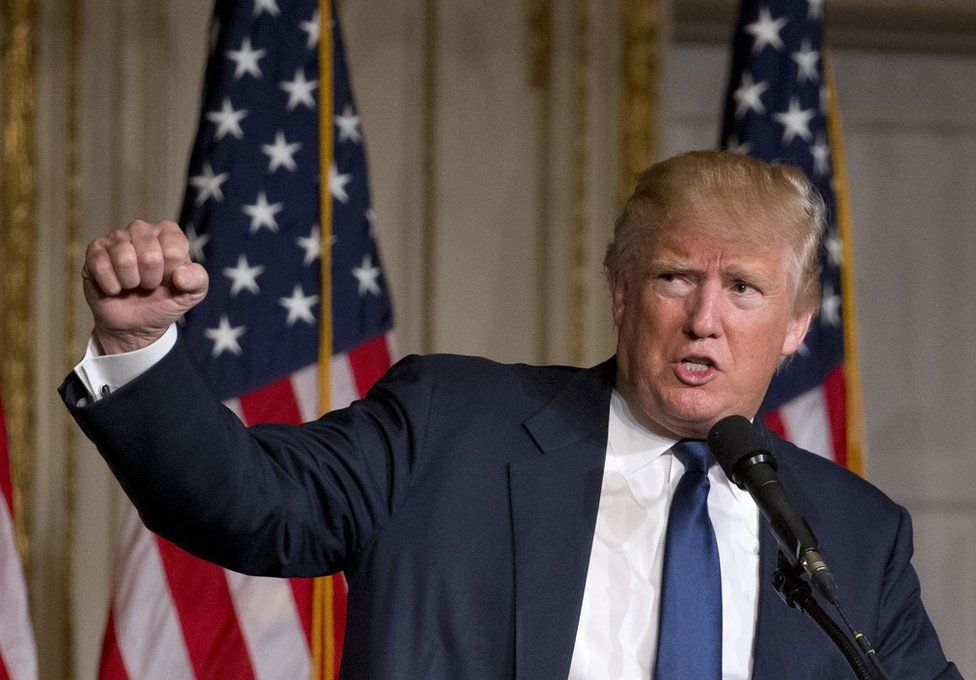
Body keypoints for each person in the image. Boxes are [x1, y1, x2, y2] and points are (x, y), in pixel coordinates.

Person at [62, 151, 959, 679]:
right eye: (675, 276)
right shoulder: (452, 428)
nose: (705, 318)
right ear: (620, 290)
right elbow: (246, 502)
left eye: (745, 289)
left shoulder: (853, 534)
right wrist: (141, 350)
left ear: (797, 325)